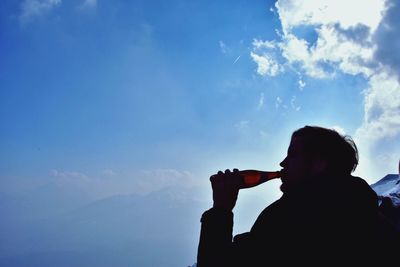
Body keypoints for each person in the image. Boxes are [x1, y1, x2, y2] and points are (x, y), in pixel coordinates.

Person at [197, 126, 399, 266]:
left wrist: (221, 209)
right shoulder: (365, 210)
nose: (282, 163)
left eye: (292, 155)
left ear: (320, 163)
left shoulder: (290, 216)